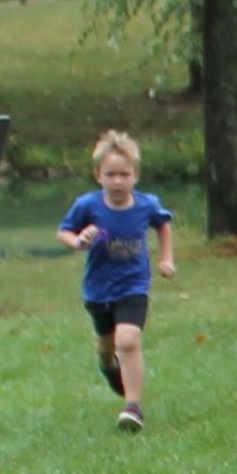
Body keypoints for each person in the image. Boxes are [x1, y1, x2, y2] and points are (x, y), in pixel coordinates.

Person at [58, 131, 174, 433]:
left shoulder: (146, 205)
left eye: (125, 174)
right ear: (98, 175)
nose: (118, 181)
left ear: (136, 175)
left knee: (128, 341)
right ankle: (108, 366)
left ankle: (133, 408)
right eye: (111, 175)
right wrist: (78, 241)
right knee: (107, 346)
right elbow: (64, 231)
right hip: (98, 289)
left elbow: (163, 225)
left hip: (133, 287)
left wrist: (166, 259)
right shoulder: (88, 205)